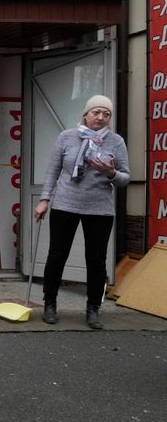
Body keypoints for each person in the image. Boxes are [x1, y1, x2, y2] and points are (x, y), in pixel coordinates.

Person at [33, 94, 129, 330]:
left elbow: (125, 178)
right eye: (96, 112)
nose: (101, 117)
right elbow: (53, 170)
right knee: (57, 254)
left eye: (106, 114)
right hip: (65, 204)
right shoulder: (67, 137)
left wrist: (111, 173)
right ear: (85, 114)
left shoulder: (116, 142)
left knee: (96, 260)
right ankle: (50, 304)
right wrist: (44, 199)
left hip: (100, 209)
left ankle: (93, 308)